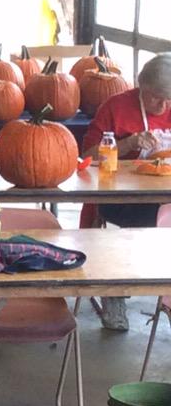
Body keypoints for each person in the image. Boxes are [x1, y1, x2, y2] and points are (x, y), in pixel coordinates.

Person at [80, 53, 171, 330]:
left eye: (168, 99)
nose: (163, 105)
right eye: (156, 97)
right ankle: (115, 288)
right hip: (122, 199)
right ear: (141, 86)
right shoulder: (115, 107)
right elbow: (87, 155)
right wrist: (128, 142)